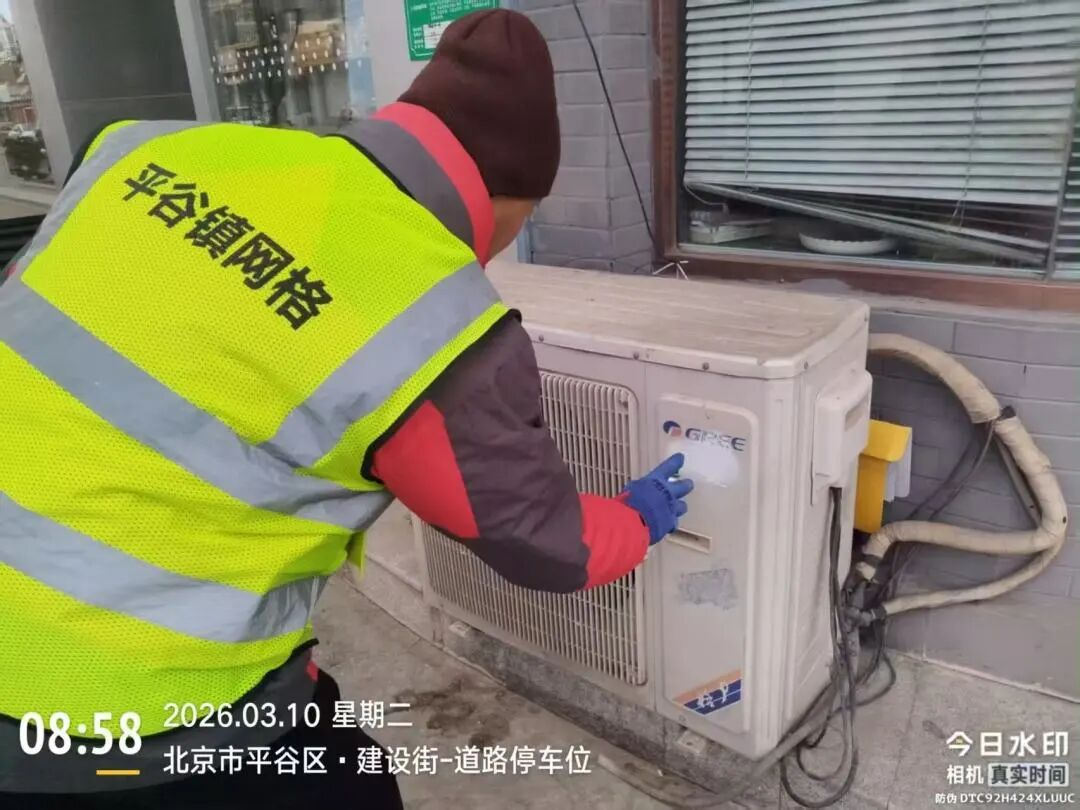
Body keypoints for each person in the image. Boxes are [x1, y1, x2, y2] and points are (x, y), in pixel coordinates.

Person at [0, 9, 693, 809]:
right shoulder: (438, 329)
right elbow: (551, 545)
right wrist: (637, 518)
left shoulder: (141, 151)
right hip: (119, 713)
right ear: (509, 200)